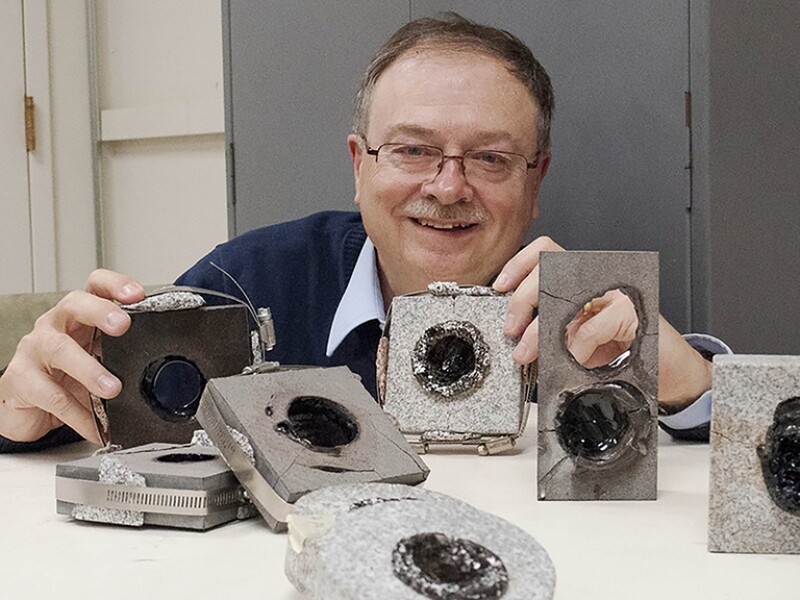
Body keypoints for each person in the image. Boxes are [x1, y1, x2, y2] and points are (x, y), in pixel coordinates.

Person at [0, 14, 725, 452]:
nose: (447, 186)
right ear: (359, 166)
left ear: (535, 182)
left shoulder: (582, 311)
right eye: (412, 150)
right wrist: (19, 410)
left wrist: (690, 383)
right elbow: (106, 422)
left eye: (491, 158)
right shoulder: (244, 282)